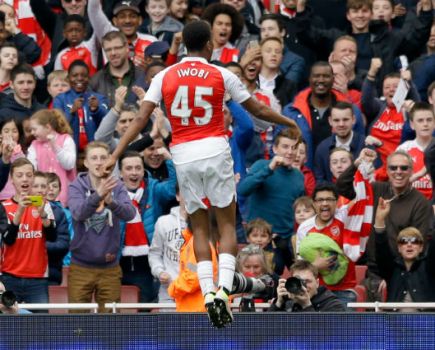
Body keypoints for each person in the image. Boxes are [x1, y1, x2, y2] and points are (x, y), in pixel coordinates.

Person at [103, 20, 299, 328]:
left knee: (199, 228)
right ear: (208, 44)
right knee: (226, 225)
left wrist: (115, 153)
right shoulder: (220, 73)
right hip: (214, 149)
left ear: (183, 46)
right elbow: (258, 111)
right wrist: (289, 123)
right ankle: (222, 291)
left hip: (183, 154)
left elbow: (141, 118)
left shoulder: (165, 75)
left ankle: (207, 292)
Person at [336, 149, 433, 300]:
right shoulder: (375, 189)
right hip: (373, 273)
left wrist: (393, 277)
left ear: (411, 171)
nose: (398, 172)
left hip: (404, 274)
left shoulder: (420, 203)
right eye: (393, 168)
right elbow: (342, 187)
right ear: (386, 170)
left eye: (404, 168)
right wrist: (357, 163)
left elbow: (418, 247)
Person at [67, 141, 136, 313]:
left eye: (103, 158)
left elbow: (130, 213)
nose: (99, 162)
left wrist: (111, 201)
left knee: (111, 324)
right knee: (76, 323)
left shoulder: (117, 185)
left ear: (110, 162)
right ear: (86, 163)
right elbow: (78, 213)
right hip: (80, 267)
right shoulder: (76, 186)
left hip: (110, 268)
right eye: (94, 158)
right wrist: (98, 195)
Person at [296, 172, 373, 305]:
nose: (325, 203)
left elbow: (362, 200)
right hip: (315, 292)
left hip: (345, 291)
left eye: (329, 199)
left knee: (343, 327)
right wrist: (315, 266)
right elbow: (299, 265)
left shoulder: (345, 217)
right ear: (313, 204)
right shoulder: (304, 228)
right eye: (320, 200)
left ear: (336, 202)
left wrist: (362, 167)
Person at [239, 127, 304, 275]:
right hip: (261, 239)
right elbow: (243, 190)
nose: (290, 152)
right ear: (275, 148)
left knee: (301, 278)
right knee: (264, 284)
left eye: (294, 148)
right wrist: (270, 168)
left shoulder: (298, 176)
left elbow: (299, 209)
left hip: (287, 239)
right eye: (285, 146)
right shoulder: (262, 165)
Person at [118, 150, 177, 302]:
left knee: (145, 312)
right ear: (120, 173)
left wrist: (169, 160)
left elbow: (173, 188)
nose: (134, 172)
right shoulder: (112, 193)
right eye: (129, 168)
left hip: (146, 265)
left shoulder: (154, 189)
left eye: (138, 168)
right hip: (118, 263)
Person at [282, 61, 365, 169]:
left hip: (341, 176)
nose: (321, 80)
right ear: (309, 79)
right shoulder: (291, 111)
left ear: (333, 79)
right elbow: (279, 146)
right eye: (316, 76)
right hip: (303, 176)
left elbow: (360, 145)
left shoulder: (352, 111)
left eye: (326, 76)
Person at [0, 158, 57, 305]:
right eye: (19, 175)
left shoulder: (45, 205)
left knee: (41, 325)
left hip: (38, 278)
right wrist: (20, 210)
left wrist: (43, 214)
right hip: (9, 276)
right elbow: (8, 239)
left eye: (29, 175)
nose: (24, 179)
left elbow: (52, 236)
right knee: (8, 325)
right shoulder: (4, 206)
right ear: (12, 179)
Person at [375, 209, 435, 306]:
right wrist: (379, 220)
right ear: (399, 248)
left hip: (425, 320)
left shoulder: (429, 267)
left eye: (414, 241)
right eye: (404, 241)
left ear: (421, 248)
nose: (409, 244)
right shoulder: (392, 268)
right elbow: (382, 250)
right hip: (395, 320)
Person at [53, 59, 109, 154]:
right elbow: (57, 127)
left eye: (84, 75)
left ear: (89, 78)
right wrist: (72, 112)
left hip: (95, 153)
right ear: (68, 78)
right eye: (75, 75)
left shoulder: (99, 98)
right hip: (68, 153)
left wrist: (96, 110)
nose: (79, 78)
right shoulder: (60, 99)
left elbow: (108, 124)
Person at [27, 109, 77, 206]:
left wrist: (56, 147)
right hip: (42, 198)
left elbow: (69, 165)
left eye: (35, 129)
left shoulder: (66, 139)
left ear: (47, 127)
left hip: (65, 197)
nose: (32, 132)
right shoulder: (34, 145)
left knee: (63, 218)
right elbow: (30, 168)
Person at [149, 187, 188, 303]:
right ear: (177, 196)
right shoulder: (163, 222)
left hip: (196, 292)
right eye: (186, 192)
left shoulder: (206, 224)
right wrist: (160, 272)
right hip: (169, 292)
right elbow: (154, 254)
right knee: (168, 322)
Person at [90, 30, 148, 108]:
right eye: (108, 50)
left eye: (117, 48)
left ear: (127, 47)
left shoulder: (143, 76)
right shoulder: (95, 81)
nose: (113, 53)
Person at [31, 171, 70, 286]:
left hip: (50, 273)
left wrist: (37, 244)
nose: (40, 190)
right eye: (35, 186)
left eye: (43, 186)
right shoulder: (19, 209)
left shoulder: (58, 213)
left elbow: (63, 244)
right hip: (20, 275)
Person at [314, 101, 365, 183]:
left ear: (353, 119)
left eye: (345, 119)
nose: (341, 124)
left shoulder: (365, 145)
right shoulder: (322, 149)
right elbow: (320, 180)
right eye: (336, 120)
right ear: (330, 121)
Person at [269, 260, 346, 312]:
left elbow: (323, 335)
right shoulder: (288, 302)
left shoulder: (333, 305)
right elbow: (266, 330)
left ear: (317, 283)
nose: (303, 286)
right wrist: (278, 303)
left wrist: (306, 305)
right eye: (298, 281)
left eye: (307, 281)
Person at [397, 102, 434, 200]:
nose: (425, 124)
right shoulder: (403, 150)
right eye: (420, 121)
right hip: (409, 204)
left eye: (429, 120)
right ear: (412, 125)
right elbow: (395, 184)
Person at [0, 117, 25, 201]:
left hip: (17, 197)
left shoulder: (20, 152)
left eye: (14, 131)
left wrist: (16, 152)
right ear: (0, 134)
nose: (10, 134)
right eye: (6, 131)